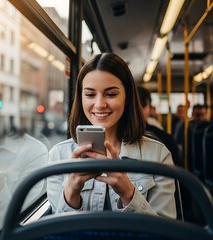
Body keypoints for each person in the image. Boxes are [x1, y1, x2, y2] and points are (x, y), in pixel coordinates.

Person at [47, 53, 176, 219]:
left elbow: (166, 233)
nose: (100, 104)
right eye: (90, 94)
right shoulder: (58, 156)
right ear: (81, 98)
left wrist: (128, 193)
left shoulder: (158, 155)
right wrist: (71, 191)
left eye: (111, 94)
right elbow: (57, 233)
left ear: (127, 97)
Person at [137, 85, 182, 167]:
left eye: (143, 105)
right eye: (133, 106)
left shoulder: (164, 140)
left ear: (150, 108)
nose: (138, 110)